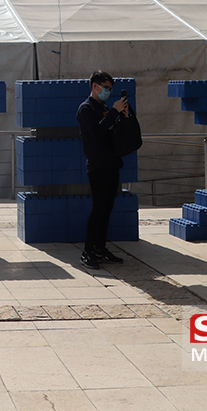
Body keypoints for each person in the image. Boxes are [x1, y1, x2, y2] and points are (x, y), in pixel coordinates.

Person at [76, 70, 130, 269]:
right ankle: (87, 251)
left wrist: (122, 115)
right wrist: (114, 112)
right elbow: (96, 132)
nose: (108, 91)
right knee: (98, 209)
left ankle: (100, 247)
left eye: (110, 89)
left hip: (111, 164)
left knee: (107, 209)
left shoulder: (105, 107)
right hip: (97, 166)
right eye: (105, 88)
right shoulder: (86, 109)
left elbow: (112, 132)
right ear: (95, 86)